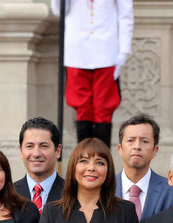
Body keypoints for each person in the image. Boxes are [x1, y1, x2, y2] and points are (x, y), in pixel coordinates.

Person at [50, 0, 134, 147]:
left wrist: (124, 50)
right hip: (76, 52)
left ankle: (103, 161)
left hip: (106, 51)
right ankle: (83, 159)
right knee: (82, 109)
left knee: (104, 109)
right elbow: (59, 10)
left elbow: (125, 15)